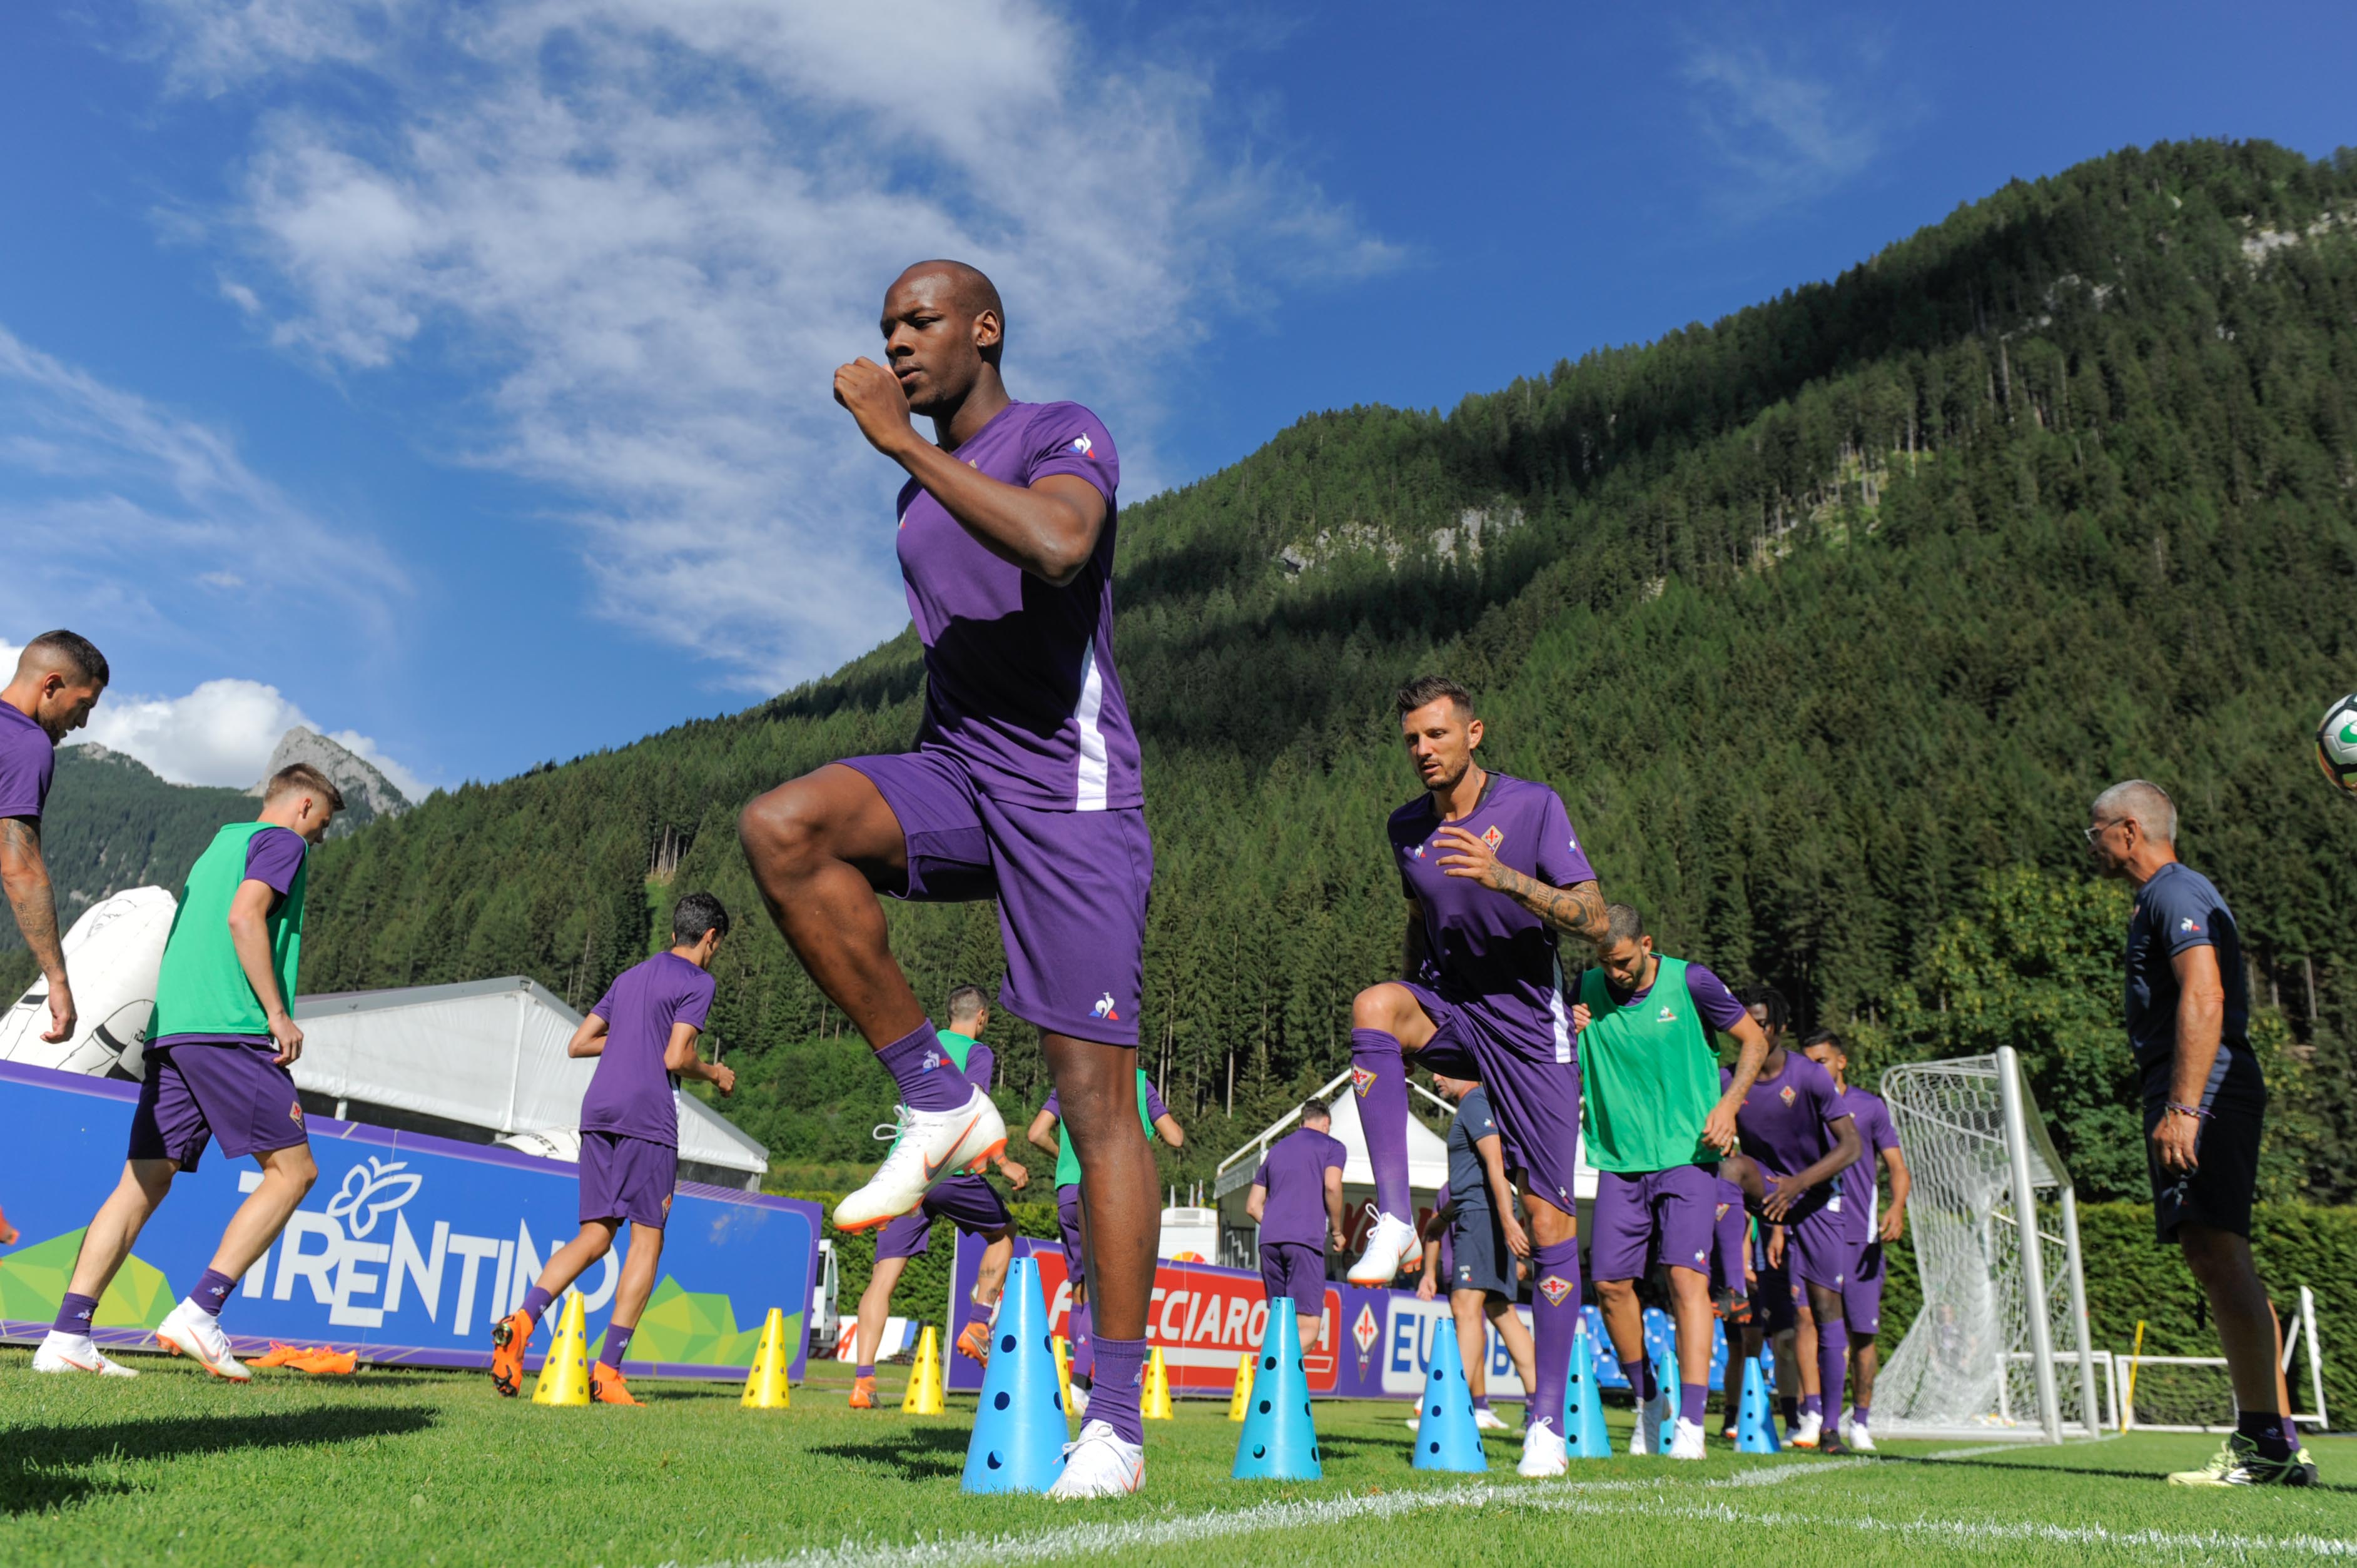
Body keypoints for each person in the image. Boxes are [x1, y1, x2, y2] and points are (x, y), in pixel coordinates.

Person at [738, 260, 1158, 1497]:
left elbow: (1062, 544)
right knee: (785, 825)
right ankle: (939, 1095)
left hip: (1073, 802)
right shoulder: (920, 502)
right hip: (960, 779)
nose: (897, 346)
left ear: (984, 330)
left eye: (918, 324)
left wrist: (895, 444)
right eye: (883, 331)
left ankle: (1118, 1423)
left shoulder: (1059, 432)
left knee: (1095, 1107)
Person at [1347, 675, 1611, 1477]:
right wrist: (1407, 1007)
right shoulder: (1405, 827)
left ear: (1474, 734)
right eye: (1411, 740)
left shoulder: (1534, 808)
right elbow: (1418, 915)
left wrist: (1508, 881)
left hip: (1533, 1030)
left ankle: (1546, 1425)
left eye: (1436, 735)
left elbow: (1597, 920)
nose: (1423, 750)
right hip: (1456, 1012)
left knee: (1550, 1222)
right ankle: (1395, 1215)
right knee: (1373, 1005)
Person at [34, 764, 340, 1379]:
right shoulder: (282, 842)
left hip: (174, 1031)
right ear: (304, 806)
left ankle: (66, 1335)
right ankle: (202, 1311)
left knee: (143, 1180)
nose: (317, 841)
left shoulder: (219, 845)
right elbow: (245, 917)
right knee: (294, 1171)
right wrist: (277, 1013)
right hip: (231, 1026)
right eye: (322, 827)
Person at [2087, 779, 2314, 1486]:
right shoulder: (2166, 895)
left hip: (2204, 1089)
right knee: (2217, 1256)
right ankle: (2275, 1441)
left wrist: (2185, 1105)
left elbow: (2205, 991)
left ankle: (2266, 1447)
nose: (2090, 844)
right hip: (2199, 1086)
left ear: (2128, 831)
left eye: (2094, 830)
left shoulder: (2174, 891)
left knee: (2221, 1254)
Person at [489, 893, 738, 1405]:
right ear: (710, 938)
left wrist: (629, 1037)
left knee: (595, 1236)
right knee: (647, 1241)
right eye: (717, 945)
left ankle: (520, 1322)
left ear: (674, 931)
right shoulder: (698, 981)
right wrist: (713, 1072)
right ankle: (607, 1371)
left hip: (598, 1111)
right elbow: (676, 1055)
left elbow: (579, 1042)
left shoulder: (630, 978)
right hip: (648, 1117)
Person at [1567, 904, 1771, 1458]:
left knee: (1687, 1280)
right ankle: (1650, 1401)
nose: (1616, 974)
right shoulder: (1582, 989)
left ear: (1646, 943)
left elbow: (1755, 1041)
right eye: (1606, 964)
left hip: (1688, 1155)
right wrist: (1567, 1026)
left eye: (1625, 962)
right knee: (1609, 1284)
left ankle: (1691, 1425)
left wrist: (1730, 1105)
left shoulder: (1693, 981)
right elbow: (1551, 1052)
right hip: (1619, 1159)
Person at [848, 986, 1033, 1409]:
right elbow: (972, 1110)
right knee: (1004, 1234)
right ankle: (978, 1323)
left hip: (905, 1172)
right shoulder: (978, 1053)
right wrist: (1004, 1163)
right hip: (948, 1168)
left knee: (882, 1278)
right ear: (982, 1016)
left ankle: (863, 1382)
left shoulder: (921, 1047)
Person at [1720, 997, 1862, 1452]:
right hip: (1769, 1191)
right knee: (1730, 1169)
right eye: (1746, 1024)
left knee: (1822, 1310)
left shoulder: (1809, 1075)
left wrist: (1799, 1182)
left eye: (1761, 1024)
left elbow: (1852, 1147)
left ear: (1779, 1026)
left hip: (1817, 1195)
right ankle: (1731, 1286)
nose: (1753, 1032)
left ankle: (1829, 1425)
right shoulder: (1730, 1079)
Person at [1026, 1066, 1181, 1414]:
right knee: (1105, 1292)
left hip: (1068, 1190)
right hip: (1112, 1192)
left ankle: (1071, 1381)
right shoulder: (1136, 1080)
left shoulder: (1073, 1074)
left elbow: (1036, 1133)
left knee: (1079, 1290)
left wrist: (1065, 1157)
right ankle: (1080, 1387)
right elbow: (1175, 1137)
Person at [1799, 1028, 1910, 1452]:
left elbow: (1897, 1167)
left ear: (1841, 1061)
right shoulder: (1802, 1108)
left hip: (1860, 1237)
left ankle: (1860, 1420)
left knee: (1862, 1333)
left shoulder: (1869, 1107)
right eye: (1808, 1063)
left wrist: (1896, 1206)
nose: (1815, 1070)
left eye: (1821, 1061)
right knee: (1811, 1319)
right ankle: (1819, 1417)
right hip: (1812, 1231)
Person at [0, 630, 109, 1046]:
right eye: (83, 706)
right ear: (51, 685)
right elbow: (20, 871)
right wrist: (58, 980)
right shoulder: (26, 744)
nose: (81, 722)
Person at [1416, 1071, 1537, 1430]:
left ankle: (1451, 1412)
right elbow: (1476, 1177)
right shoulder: (1476, 1104)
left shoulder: (1474, 1102)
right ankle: (1542, 1407)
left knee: (1465, 1307)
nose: (1436, 1076)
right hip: (1480, 1214)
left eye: (1442, 1069)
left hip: (1483, 1219)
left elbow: (1495, 1165)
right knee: (1501, 1310)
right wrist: (1443, 1217)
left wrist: (1507, 1219)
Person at [1245, 1100, 1347, 1352]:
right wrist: (1337, 1231)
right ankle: (1270, 1369)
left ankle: (1271, 1382)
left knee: (1281, 1323)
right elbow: (1332, 1186)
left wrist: (1277, 1224)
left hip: (1269, 1242)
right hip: (1304, 1241)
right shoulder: (1332, 1147)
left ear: (1302, 1122)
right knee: (1308, 1329)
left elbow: (1252, 1205)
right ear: (1326, 1124)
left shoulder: (1277, 1150)